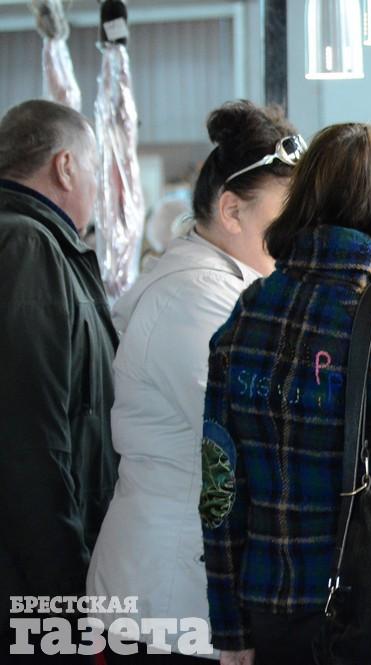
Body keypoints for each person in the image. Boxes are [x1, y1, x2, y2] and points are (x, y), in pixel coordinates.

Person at [198, 123, 371, 665]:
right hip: (368, 608)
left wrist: (231, 631)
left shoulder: (250, 308)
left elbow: (220, 487)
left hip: (270, 609)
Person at [85, 101, 302, 660]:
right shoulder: (194, 297)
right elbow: (259, 431)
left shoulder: (230, 286)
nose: (301, 235)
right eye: (289, 216)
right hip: (163, 601)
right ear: (231, 210)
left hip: (185, 594)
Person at [0, 100, 118, 660]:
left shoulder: (32, 243)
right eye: (95, 168)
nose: (98, 188)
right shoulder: (27, 247)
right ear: (65, 167)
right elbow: (32, 437)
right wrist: (69, 598)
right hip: (30, 588)